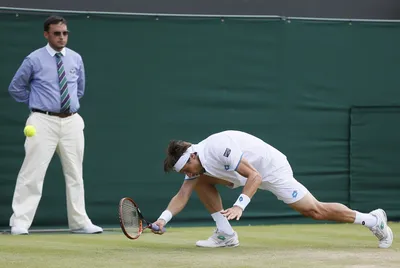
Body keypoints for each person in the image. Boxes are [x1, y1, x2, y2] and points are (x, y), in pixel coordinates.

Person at [152, 130, 393, 249]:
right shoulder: (196, 167)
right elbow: (182, 194)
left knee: (314, 211)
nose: (187, 174)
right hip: (240, 174)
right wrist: (163, 220)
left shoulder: (217, 147)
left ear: (192, 155)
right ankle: (225, 234)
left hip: (270, 169)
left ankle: (373, 220)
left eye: (186, 169)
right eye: (183, 173)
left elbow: (254, 176)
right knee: (200, 182)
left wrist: (239, 205)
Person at [7, 15, 102, 235]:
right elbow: (16, 87)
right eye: (57, 33)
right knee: (32, 173)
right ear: (46, 34)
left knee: (75, 173)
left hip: (72, 121)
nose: (62, 37)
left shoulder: (76, 58)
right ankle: (20, 223)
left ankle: (79, 222)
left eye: (65, 33)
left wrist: (68, 106)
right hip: (41, 121)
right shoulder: (33, 59)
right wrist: (35, 103)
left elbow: (79, 89)